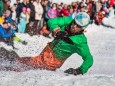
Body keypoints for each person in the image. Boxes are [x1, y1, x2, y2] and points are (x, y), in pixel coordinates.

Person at [0, 12, 93, 76]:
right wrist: (57, 30)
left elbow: (89, 59)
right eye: (74, 22)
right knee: (30, 62)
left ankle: (8, 67)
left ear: (83, 29)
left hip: (54, 60)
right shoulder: (68, 21)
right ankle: (10, 62)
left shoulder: (81, 42)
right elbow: (51, 21)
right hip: (47, 50)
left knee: (30, 65)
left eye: (78, 26)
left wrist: (79, 70)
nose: (74, 26)